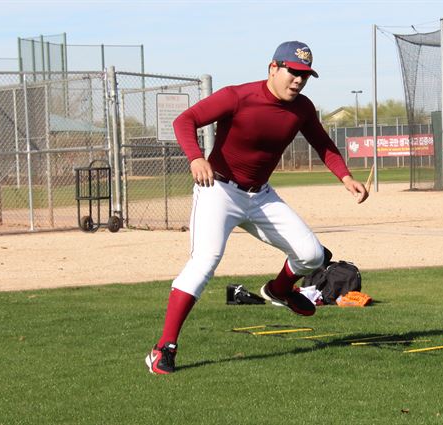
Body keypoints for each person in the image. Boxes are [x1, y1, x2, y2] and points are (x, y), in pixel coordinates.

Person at [145, 41, 369, 374]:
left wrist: (345, 177)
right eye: (293, 72)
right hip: (218, 190)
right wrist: (195, 157)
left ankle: (278, 290)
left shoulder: (303, 108)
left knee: (312, 255)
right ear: (273, 68)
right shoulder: (237, 96)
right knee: (205, 262)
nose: (298, 80)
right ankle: (164, 348)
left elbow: (322, 143)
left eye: (305, 75)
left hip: (260, 195)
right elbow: (185, 120)